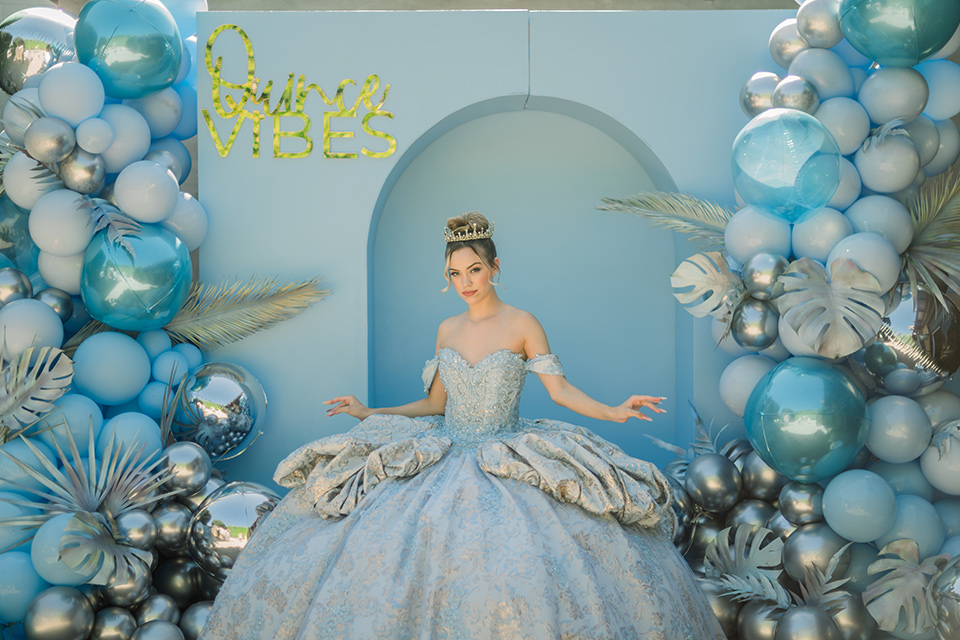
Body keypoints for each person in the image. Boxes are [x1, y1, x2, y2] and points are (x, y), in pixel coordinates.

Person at [201, 213, 724, 639]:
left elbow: (559, 391)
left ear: (495, 267)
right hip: (442, 447)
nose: (465, 283)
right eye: (455, 274)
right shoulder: (446, 328)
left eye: (474, 270)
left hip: (506, 448)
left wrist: (614, 410)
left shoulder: (522, 323)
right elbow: (434, 404)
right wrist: (370, 412)